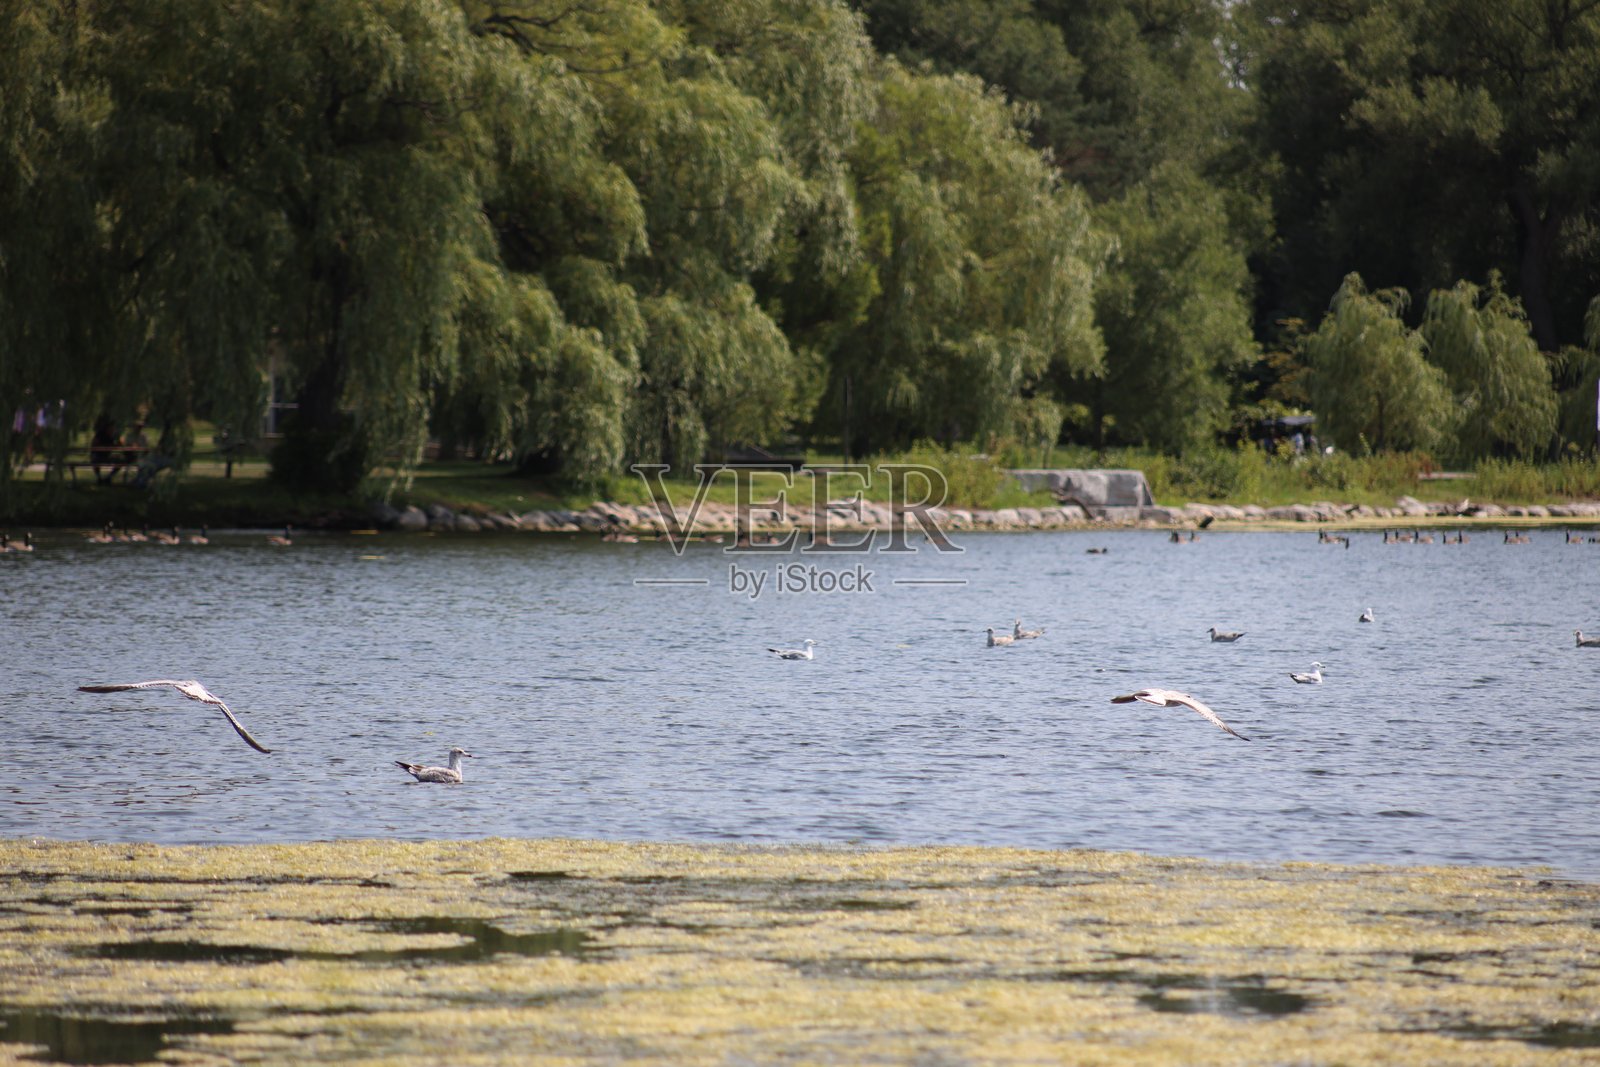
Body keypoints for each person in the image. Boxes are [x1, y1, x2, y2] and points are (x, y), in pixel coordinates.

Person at [90, 414, 122, 484]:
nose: (112, 428)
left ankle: (109, 477)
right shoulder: (100, 434)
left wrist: (118, 441)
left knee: (120, 461)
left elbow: (119, 445)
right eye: (111, 427)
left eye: (113, 427)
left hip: (107, 456)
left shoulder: (114, 435)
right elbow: (94, 445)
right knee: (95, 460)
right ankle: (99, 478)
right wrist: (106, 446)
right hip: (98, 455)